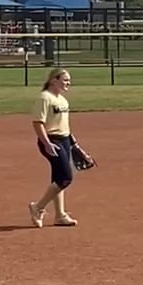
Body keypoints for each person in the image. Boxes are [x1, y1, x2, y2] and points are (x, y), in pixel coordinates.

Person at [27, 68, 84, 228]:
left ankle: (60, 215)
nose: (68, 83)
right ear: (53, 80)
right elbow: (38, 123)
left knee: (58, 177)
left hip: (64, 140)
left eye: (69, 80)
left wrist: (75, 145)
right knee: (65, 178)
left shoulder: (63, 100)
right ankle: (38, 207)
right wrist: (46, 143)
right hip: (52, 140)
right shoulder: (45, 98)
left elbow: (65, 126)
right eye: (65, 80)